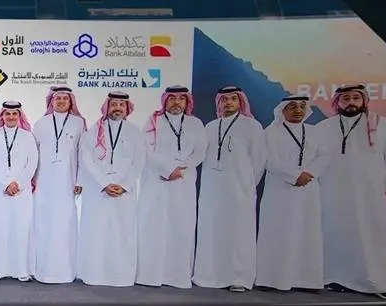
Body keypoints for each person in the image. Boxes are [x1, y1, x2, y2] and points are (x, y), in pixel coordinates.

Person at [316, 83, 386, 299]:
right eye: (345, 98)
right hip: (333, 191)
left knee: (373, 234)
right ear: (337, 102)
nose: (351, 103)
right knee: (335, 233)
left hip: (371, 191)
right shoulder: (324, 127)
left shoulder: (380, 124)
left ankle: (379, 283)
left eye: (355, 98)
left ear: (364, 101)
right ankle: (337, 278)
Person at [193, 85, 266, 292]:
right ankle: (208, 276)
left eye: (233, 99)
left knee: (239, 233)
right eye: (224, 100)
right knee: (211, 230)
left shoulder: (252, 126)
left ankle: (239, 278)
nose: (228, 103)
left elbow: (259, 160)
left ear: (240, 101)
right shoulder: (210, 126)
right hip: (212, 189)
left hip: (239, 190)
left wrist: (247, 185)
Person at [136, 85, 207, 289]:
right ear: (165, 101)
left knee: (181, 227)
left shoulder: (195, 124)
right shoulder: (153, 121)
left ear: (187, 102)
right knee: (153, 227)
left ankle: (177, 277)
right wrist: (167, 169)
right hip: (156, 182)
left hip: (183, 183)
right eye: (172, 98)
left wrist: (180, 170)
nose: (177, 102)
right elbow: (146, 149)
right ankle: (150, 276)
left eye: (181, 99)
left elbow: (200, 151)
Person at [257, 95, 329, 292]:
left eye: (301, 106)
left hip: (308, 189)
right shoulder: (270, 132)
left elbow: (325, 156)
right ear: (282, 110)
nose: (298, 110)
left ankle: (307, 280)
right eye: (292, 106)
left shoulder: (315, 132)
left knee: (307, 232)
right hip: (279, 190)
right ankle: (272, 279)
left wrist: (309, 173)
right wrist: (294, 175)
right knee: (277, 232)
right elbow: (268, 160)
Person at [77, 91, 146, 287]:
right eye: (114, 104)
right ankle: (94, 275)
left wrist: (124, 185)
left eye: (121, 105)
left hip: (124, 193)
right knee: (96, 233)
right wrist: (104, 183)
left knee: (122, 233)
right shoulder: (93, 131)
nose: (117, 108)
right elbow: (86, 159)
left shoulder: (134, 132)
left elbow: (139, 161)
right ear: (107, 106)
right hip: (97, 191)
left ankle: (121, 276)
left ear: (127, 108)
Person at [31, 86, 85, 284]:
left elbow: (82, 153)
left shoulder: (79, 123)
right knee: (43, 224)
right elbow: (33, 154)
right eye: (57, 98)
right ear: (51, 102)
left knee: (65, 225)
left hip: (67, 183)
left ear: (71, 102)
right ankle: (42, 270)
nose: (61, 101)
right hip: (43, 183)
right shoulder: (41, 123)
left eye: (65, 98)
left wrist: (80, 180)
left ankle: (66, 271)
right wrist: (31, 180)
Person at [0, 101, 39, 282]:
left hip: (21, 192)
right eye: (8, 114)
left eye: (15, 114)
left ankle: (21, 270)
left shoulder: (28, 137)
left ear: (19, 116)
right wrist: (6, 183)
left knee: (21, 229)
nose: (11, 117)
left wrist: (18, 184)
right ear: (2, 116)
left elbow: (32, 163)